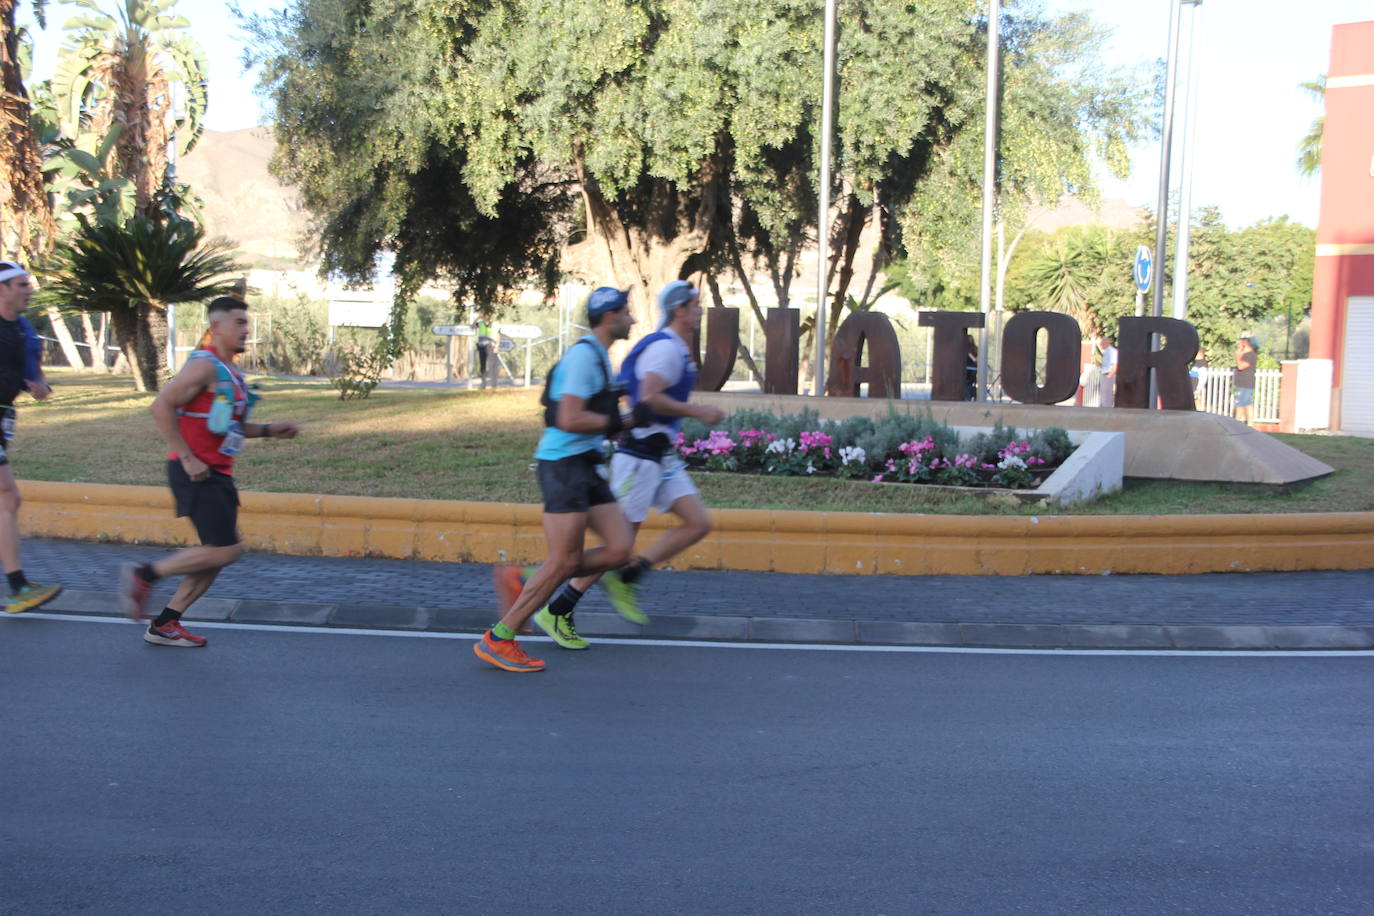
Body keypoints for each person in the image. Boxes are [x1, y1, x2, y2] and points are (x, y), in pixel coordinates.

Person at [530, 281, 727, 649]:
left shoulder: (675, 348)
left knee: (697, 522)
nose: (700, 310)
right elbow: (648, 398)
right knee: (619, 543)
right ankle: (555, 602)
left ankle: (628, 576)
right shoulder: (665, 349)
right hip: (638, 455)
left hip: (660, 454)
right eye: (696, 305)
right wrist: (698, 411)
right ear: (680, 309)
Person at [119, 297, 300, 646]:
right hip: (195, 471)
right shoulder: (203, 365)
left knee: (218, 554)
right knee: (226, 550)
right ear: (216, 327)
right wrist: (187, 458)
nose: (246, 329)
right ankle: (145, 574)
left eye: (247, 323)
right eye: (239, 322)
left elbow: (226, 425)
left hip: (216, 470)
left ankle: (165, 624)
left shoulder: (229, 371)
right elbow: (161, 407)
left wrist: (268, 430)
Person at [477, 287, 640, 672]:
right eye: (626, 312)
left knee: (619, 549)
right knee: (564, 561)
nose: (632, 319)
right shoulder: (584, 357)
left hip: (586, 462)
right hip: (563, 464)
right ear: (609, 316)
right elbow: (568, 418)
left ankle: (527, 578)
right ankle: (499, 638)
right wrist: (621, 421)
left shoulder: (600, 356)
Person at [0, 261, 62, 614]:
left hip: (2, 418)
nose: (29, 290)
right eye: (21, 284)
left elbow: (34, 378)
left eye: (29, 284)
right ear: (2, 289)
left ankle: (18, 586)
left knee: (8, 500)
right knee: (8, 497)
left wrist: (39, 386)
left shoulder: (24, 331)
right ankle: (17, 586)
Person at [1234, 333, 1257, 425]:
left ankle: (1237, 422)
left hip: (1246, 383)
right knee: (1246, 402)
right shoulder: (1246, 354)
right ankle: (1250, 423)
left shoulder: (1250, 355)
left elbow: (1241, 366)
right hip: (1242, 383)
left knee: (1240, 403)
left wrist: (1237, 355)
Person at [1096, 334, 1118, 408]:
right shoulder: (1105, 352)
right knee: (1103, 393)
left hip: (1108, 375)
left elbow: (1115, 365)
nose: (1101, 345)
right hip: (1104, 375)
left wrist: (1109, 376)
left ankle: (1106, 409)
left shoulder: (1113, 351)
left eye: (1102, 343)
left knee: (1107, 394)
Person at [475, 317, 495, 388]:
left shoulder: (492, 323)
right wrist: (478, 318)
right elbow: (472, 326)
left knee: (491, 365)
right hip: (481, 346)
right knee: (482, 365)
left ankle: (493, 383)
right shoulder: (480, 323)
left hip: (489, 346)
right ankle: (483, 383)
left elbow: (495, 332)